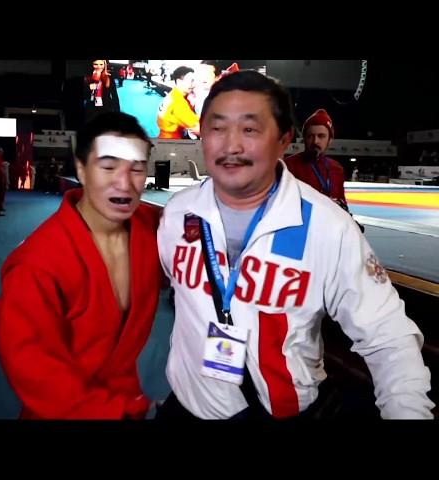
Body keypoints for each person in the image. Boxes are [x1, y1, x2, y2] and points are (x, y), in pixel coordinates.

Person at [156, 70, 434, 420]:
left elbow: (390, 339)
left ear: (284, 139)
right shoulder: (178, 215)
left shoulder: (329, 228)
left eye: (250, 129)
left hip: (279, 410)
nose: (231, 145)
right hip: (187, 405)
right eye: (217, 127)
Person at [0, 112, 161, 419]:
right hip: (65, 411)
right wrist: (116, 411)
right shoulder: (37, 263)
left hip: (128, 401)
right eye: (109, 167)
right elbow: (34, 369)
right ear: (82, 169)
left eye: (136, 169)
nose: (124, 183)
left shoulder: (154, 228)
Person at [284, 109, 348, 209]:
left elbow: (341, 200)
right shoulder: (288, 166)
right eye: (310, 136)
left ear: (330, 140)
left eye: (321, 136)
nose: (315, 141)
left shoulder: (337, 168)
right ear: (304, 139)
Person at [156, 66, 200, 139]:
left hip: (163, 136)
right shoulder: (178, 102)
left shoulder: (173, 95)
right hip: (173, 142)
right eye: (191, 81)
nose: (194, 84)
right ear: (179, 81)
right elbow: (198, 129)